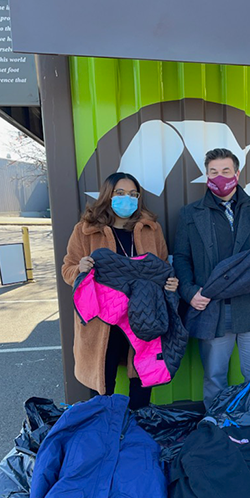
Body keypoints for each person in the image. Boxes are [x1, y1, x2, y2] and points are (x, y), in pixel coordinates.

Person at [173, 147, 250, 408]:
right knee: (214, 378)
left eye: (225, 171)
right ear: (206, 175)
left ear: (237, 173)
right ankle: (217, 427)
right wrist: (190, 293)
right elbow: (180, 257)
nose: (220, 177)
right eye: (213, 172)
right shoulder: (190, 214)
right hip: (212, 310)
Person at [62, 172, 178, 409]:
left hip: (143, 316)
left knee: (142, 378)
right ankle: (104, 431)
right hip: (103, 322)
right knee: (102, 383)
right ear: (108, 195)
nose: (128, 199)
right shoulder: (86, 230)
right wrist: (79, 269)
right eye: (121, 193)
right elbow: (67, 269)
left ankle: (137, 430)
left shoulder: (151, 229)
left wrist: (171, 284)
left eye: (133, 194)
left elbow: (164, 267)